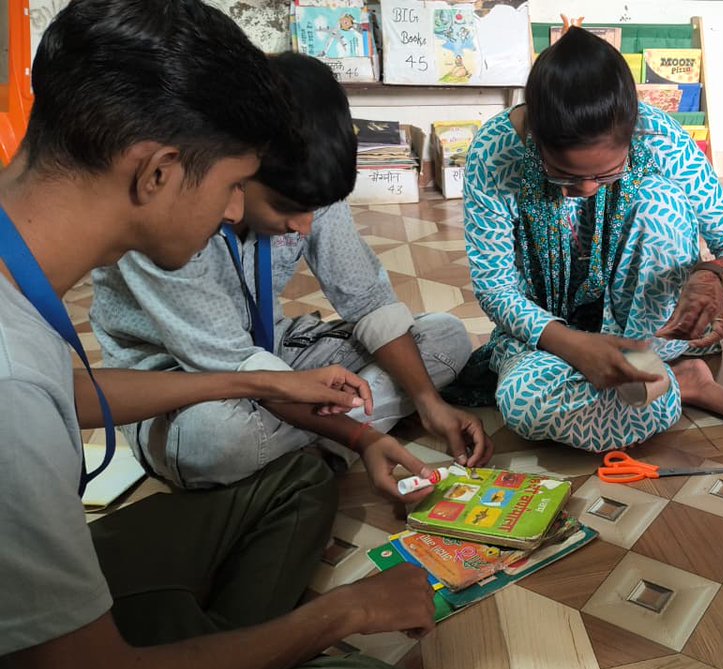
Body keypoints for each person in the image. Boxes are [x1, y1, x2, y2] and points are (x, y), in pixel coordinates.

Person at [0, 1, 435, 669]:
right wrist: (344, 612)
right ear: (158, 172)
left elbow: (73, 393)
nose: (237, 211)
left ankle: (215, 639)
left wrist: (260, 380)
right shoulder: (12, 388)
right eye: (233, 184)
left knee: (296, 482)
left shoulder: (20, 313)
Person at [90, 52, 492, 499]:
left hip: (274, 351)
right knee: (213, 439)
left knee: (446, 338)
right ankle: (327, 438)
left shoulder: (307, 182)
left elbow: (367, 300)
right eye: (287, 208)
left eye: (312, 211)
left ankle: (299, 451)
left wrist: (430, 404)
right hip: (186, 384)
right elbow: (229, 364)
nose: (303, 226)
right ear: (240, 166)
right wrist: (361, 436)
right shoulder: (170, 211)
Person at [462, 25, 723, 452]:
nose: (588, 188)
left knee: (659, 202)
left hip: (648, 332)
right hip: (548, 333)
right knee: (523, 403)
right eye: (565, 175)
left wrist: (716, 276)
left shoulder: (661, 137)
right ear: (536, 137)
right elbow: (495, 288)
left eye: (606, 174)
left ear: (631, 133)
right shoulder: (496, 153)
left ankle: (651, 368)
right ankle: (679, 383)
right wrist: (573, 345)